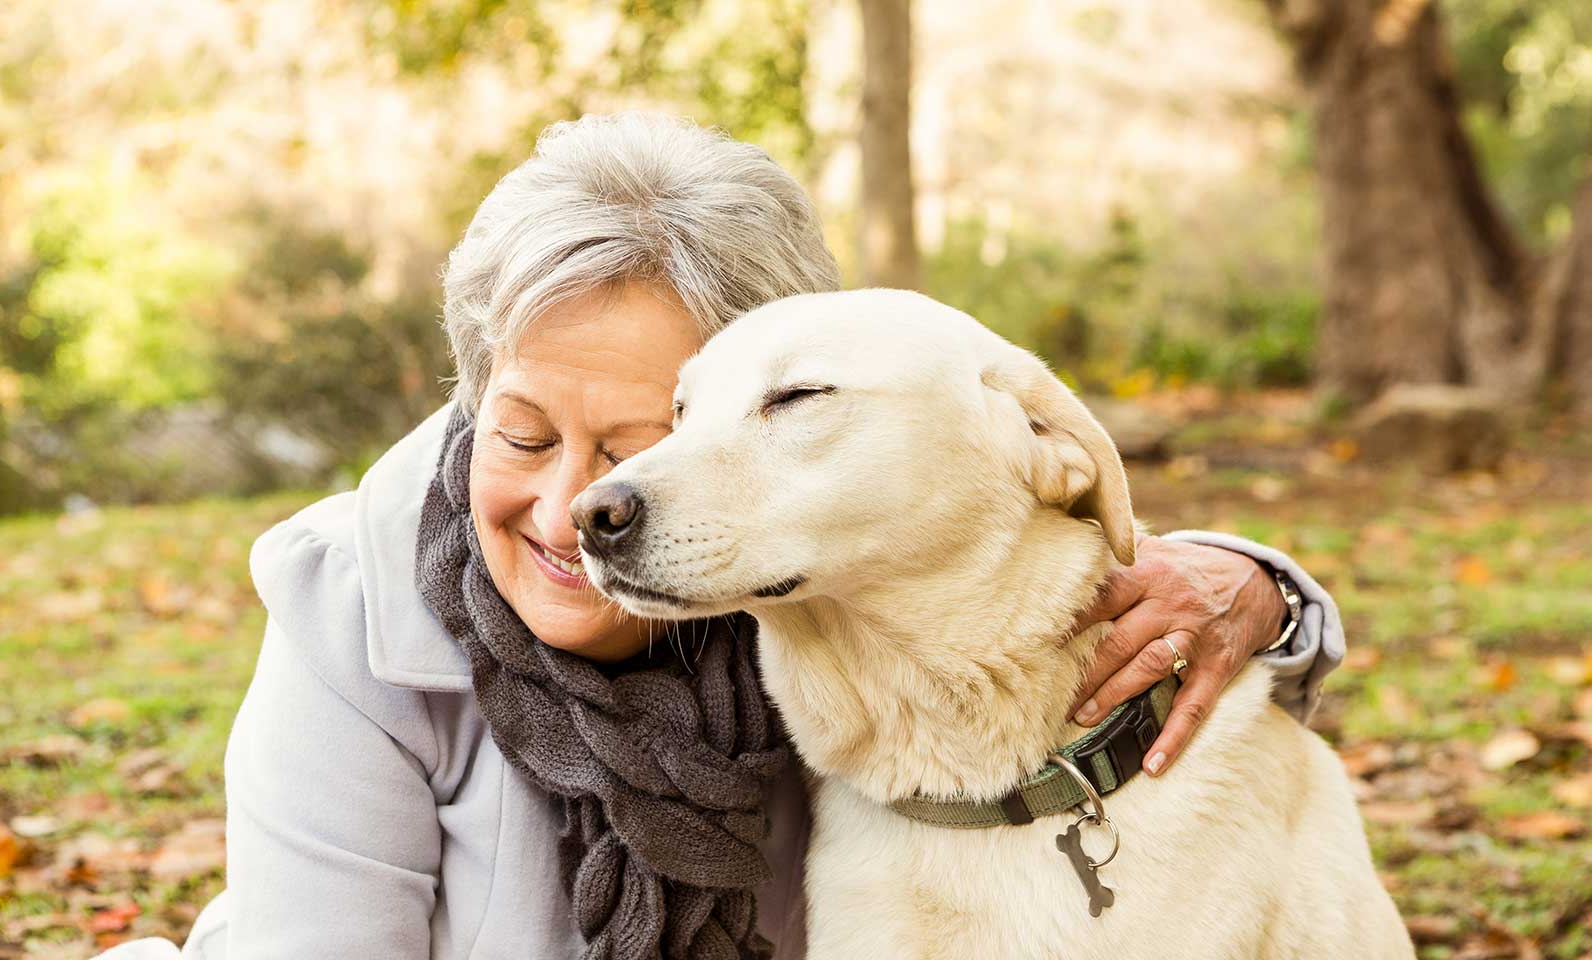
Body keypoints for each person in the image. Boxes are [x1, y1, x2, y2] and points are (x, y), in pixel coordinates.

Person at [99, 112, 1343, 960]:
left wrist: (1261, 588)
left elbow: (993, 547)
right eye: (521, 435)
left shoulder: (797, 581)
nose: (577, 507)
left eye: (638, 444)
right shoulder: (350, 604)